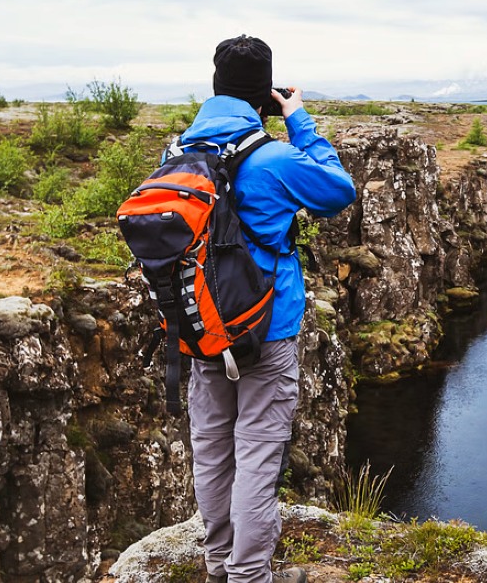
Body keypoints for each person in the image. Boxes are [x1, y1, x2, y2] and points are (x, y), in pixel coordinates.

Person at [181, 35, 356, 583]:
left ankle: (218, 565)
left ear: (214, 86)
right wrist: (299, 119)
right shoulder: (275, 157)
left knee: (211, 449)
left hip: (201, 326)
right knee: (256, 454)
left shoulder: (179, 153)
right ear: (265, 93)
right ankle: (250, 575)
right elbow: (338, 191)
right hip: (266, 329)